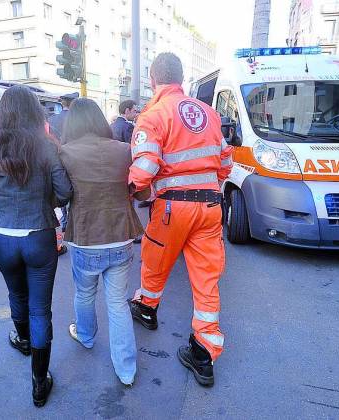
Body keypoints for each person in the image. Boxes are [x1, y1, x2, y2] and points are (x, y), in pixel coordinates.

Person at [128, 53, 233, 387]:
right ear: (182, 77)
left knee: (155, 260)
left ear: (152, 79)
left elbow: (144, 170)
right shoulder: (209, 114)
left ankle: (147, 309)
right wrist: (209, 186)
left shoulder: (154, 114)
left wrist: (129, 190)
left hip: (173, 208)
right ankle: (203, 354)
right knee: (206, 280)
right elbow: (226, 161)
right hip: (210, 208)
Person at [0, 85, 72, 407]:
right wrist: (46, 203)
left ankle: (22, 340)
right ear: (35, 112)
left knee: (16, 294)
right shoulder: (46, 145)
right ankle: (38, 381)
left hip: (2, 234)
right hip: (39, 233)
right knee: (40, 307)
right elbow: (65, 191)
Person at [59, 98, 144, 387]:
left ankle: (85, 337)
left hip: (85, 237)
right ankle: (126, 370)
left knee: (84, 294)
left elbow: (61, 195)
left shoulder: (65, 153)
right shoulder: (124, 150)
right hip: (121, 236)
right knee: (118, 303)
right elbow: (139, 190)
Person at [49, 92, 78, 234]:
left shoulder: (52, 119)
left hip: (58, 159)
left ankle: (65, 221)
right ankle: (71, 220)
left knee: (62, 188)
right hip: (74, 158)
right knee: (74, 189)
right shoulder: (77, 118)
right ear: (73, 103)